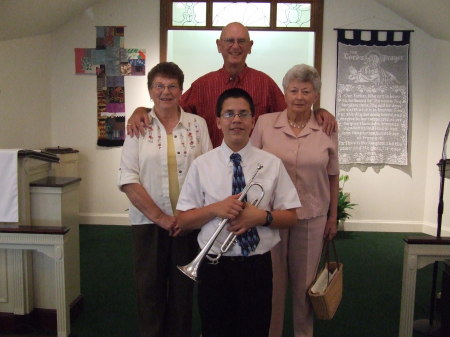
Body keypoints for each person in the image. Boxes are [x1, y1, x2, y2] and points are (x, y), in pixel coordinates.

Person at [176, 88, 301, 337]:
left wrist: (262, 217)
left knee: (255, 329)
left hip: (256, 265)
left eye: (243, 114)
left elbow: (292, 217)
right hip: (214, 265)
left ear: (253, 121)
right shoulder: (202, 165)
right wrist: (215, 208)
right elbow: (183, 220)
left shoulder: (271, 163)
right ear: (218, 121)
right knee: (215, 329)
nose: (236, 120)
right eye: (229, 114)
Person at [126, 22, 337, 147]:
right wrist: (141, 110)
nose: (235, 46)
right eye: (229, 41)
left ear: (250, 47)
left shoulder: (265, 84)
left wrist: (318, 111)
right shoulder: (202, 85)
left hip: (256, 170)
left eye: (241, 41)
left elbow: (291, 113)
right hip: (213, 169)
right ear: (219, 45)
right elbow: (170, 108)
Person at [118, 62, 212, 337]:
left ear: (181, 90)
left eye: (172, 86)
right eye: (159, 85)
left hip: (188, 223)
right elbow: (128, 178)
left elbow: (208, 173)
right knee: (150, 290)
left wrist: (190, 217)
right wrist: (161, 218)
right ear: (149, 90)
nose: (165, 91)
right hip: (148, 224)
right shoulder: (139, 126)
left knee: (183, 294)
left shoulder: (198, 125)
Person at [250, 64, 339, 337]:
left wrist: (333, 216)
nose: (299, 96)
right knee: (273, 285)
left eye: (306, 91)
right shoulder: (265, 123)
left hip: (312, 217)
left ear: (315, 95)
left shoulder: (327, 128)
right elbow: (250, 165)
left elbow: (333, 175)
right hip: (272, 217)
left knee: (305, 287)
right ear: (285, 92)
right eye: (294, 90)